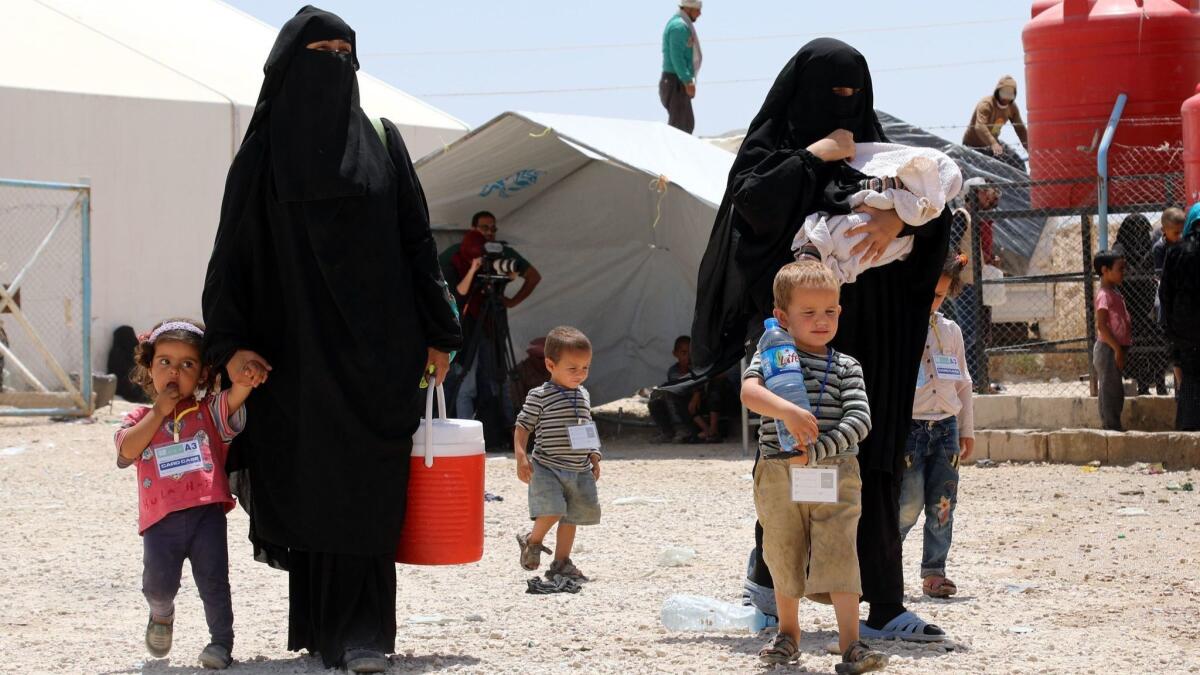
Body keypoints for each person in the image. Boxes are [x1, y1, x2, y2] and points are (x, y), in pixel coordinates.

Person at [200, 8, 462, 672]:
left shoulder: (381, 138)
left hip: (379, 355)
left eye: (347, 52)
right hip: (293, 361)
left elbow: (415, 240)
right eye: (321, 50)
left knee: (368, 484)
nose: (336, 63)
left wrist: (438, 330)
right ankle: (324, 629)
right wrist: (229, 344)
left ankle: (369, 631)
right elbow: (230, 253)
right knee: (313, 482)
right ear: (290, 66)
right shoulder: (261, 154)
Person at [689, 38, 951, 642]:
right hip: (801, 343)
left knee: (873, 458)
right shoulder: (776, 150)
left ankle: (884, 604)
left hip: (877, 335)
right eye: (830, 92)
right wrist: (813, 156)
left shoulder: (883, 153)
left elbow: (938, 212)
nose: (845, 104)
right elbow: (750, 208)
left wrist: (899, 218)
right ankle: (768, 595)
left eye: (853, 92)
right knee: (793, 458)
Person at [741, 261, 885, 672]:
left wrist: (817, 450)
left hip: (833, 473)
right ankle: (788, 634)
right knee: (783, 550)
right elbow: (750, 392)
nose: (821, 321)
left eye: (830, 311)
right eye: (809, 313)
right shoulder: (771, 355)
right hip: (777, 473)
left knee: (840, 551)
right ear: (783, 318)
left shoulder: (846, 366)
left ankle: (851, 643)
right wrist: (785, 409)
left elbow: (859, 421)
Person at [114, 319, 264, 670]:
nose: (174, 371)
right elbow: (127, 451)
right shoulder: (138, 417)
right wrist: (158, 413)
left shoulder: (207, 412)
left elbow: (234, 399)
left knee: (214, 581)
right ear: (149, 367)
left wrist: (244, 379)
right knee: (158, 585)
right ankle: (161, 614)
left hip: (205, 515)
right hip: (159, 522)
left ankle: (220, 643)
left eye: (187, 364)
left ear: (201, 374)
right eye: (164, 361)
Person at [899, 253, 974, 601]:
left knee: (943, 504)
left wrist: (966, 430)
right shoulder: (898, 326)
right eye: (929, 292)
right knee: (907, 504)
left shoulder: (951, 331)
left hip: (945, 430)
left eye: (941, 295)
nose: (933, 301)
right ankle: (885, 565)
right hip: (910, 431)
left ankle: (934, 572)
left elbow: (963, 383)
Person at [792, 142, 962, 282]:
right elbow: (859, 194)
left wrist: (899, 221)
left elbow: (935, 221)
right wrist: (818, 152)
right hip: (813, 283)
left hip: (877, 293)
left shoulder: (916, 190)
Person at [514, 326, 601, 582]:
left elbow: (587, 426)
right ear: (550, 364)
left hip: (578, 468)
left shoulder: (583, 395)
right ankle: (533, 541)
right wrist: (521, 456)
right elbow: (523, 427)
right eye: (572, 368)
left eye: (585, 368)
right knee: (552, 510)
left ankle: (561, 563)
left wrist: (594, 456)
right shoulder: (539, 396)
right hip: (547, 467)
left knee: (571, 516)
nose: (580, 374)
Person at [442, 211, 541, 435]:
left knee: (497, 375)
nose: (489, 233)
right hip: (467, 324)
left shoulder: (502, 252)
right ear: (473, 228)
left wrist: (512, 300)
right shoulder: (457, 254)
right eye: (484, 228)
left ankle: (503, 426)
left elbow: (533, 276)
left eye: (493, 229)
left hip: (492, 321)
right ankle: (453, 424)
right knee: (462, 375)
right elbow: (451, 290)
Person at [1114, 214, 1168, 395]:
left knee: (1157, 344)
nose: (1143, 234)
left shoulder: (1148, 246)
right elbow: (1125, 274)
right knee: (1137, 348)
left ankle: (1159, 383)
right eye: (1139, 230)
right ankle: (1143, 385)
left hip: (1149, 307)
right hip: (1130, 309)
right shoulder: (1120, 248)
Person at [1159, 204, 1200, 430]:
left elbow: (1165, 294)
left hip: (1186, 331)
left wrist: (1172, 327)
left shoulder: (1176, 252)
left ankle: (1189, 428)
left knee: (1191, 376)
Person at [648, 335, 723, 443]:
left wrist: (697, 394)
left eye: (690, 353)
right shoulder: (674, 372)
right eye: (684, 353)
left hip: (700, 411)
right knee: (657, 398)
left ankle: (708, 431)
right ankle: (671, 431)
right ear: (675, 354)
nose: (688, 357)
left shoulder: (700, 368)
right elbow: (684, 390)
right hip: (687, 411)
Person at [1094, 250, 1131, 431]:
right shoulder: (1104, 295)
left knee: (1113, 388)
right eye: (1119, 268)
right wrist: (1117, 349)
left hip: (1113, 348)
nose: (1123, 272)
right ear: (1105, 270)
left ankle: (1111, 425)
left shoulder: (1114, 292)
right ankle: (1111, 427)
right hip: (1108, 348)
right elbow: (1102, 326)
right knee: (1111, 391)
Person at [962, 76, 1029, 172]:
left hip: (994, 144)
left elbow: (1020, 129)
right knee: (991, 170)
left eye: (1010, 93)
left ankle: (1022, 186)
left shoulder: (1011, 108)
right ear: (998, 91)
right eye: (1004, 92)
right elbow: (979, 127)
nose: (1006, 97)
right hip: (974, 146)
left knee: (1017, 163)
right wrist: (993, 143)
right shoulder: (986, 104)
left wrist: (1029, 148)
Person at [1153, 207, 1186, 391]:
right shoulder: (1160, 248)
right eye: (1176, 233)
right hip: (1167, 297)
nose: (1179, 236)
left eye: (1182, 232)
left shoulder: (1183, 245)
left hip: (1181, 298)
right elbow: (1161, 278)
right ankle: (1180, 385)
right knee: (1174, 350)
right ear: (1164, 231)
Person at [660, 0, 703, 134]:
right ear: (689, 9)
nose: (700, 13)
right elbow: (676, 57)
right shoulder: (679, 27)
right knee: (680, 129)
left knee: (685, 124)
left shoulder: (681, 25)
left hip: (676, 81)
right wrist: (687, 80)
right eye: (697, 9)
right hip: (676, 81)